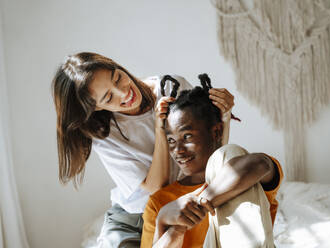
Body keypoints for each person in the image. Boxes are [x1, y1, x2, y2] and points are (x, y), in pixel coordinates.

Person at [51, 52, 235, 248]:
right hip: (133, 217)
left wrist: (224, 112)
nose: (123, 93)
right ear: (96, 108)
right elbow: (157, 189)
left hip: (180, 204)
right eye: (108, 97)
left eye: (118, 78)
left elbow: (211, 151)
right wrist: (161, 127)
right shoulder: (104, 136)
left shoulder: (172, 88)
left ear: (119, 67)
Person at [140, 75, 283, 248]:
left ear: (216, 132)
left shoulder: (244, 170)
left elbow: (261, 164)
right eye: (171, 141)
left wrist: (198, 203)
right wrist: (165, 220)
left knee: (228, 154)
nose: (178, 150)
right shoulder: (159, 201)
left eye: (187, 136)